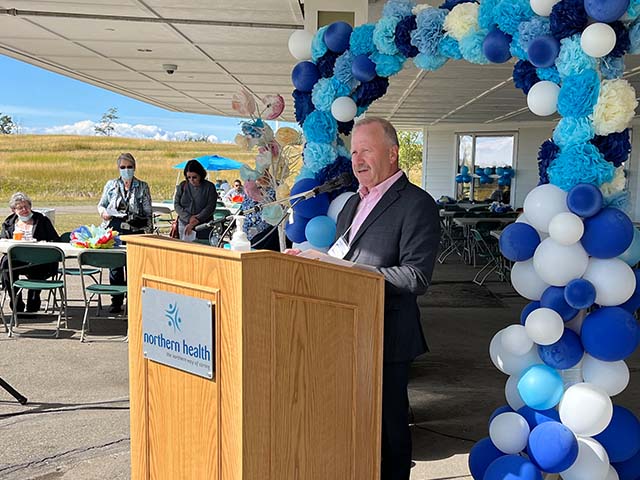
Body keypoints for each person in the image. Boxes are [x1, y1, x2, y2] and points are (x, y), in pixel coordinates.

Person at [334, 117, 440, 479]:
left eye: (366, 150)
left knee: (389, 433)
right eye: (353, 152)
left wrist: (348, 274)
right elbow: (341, 256)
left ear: (393, 154)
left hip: (388, 338)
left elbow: (416, 276)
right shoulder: (352, 204)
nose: (357, 159)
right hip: (346, 332)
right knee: (353, 428)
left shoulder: (417, 204)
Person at [97, 152, 152, 313]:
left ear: (134, 168)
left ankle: (134, 300)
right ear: (118, 168)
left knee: (134, 266)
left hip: (135, 229)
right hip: (114, 228)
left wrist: (147, 231)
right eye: (123, 167)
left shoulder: (142, 186)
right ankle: (116, 300)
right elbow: (102, 204)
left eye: (129, 167)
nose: (126, 170)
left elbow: (148, 212)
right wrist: (104, 213)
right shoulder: (111, 185)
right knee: (115, 267)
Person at [1, 192, 61, 312]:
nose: (25, 210)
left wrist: (44, 243)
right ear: (13, 210)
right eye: (20, 208)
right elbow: (3, 242)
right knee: (6, 266)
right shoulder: (8, 224)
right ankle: (16, 301)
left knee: (38, 266)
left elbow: (56, 241)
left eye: (27, 206)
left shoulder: (42, 221)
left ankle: (33, 303)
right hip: (17, 261)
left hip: (39, 260)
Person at [174, 159, 218, 242]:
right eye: (188, 177)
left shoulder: (209, 187)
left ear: (200, 175)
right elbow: (176, 204)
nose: (191, 180)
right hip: (184, 224)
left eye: (194, 177)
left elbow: (210, 207)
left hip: (204, 225)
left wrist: (197, 219)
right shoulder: (182, 185)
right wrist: (188, 218)